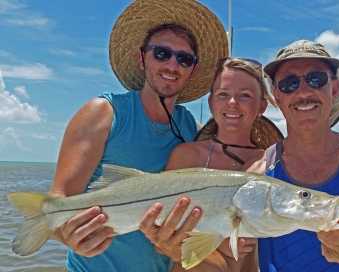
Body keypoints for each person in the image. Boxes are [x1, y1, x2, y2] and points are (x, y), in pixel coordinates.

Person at [47, 0, 228, 271]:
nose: (172, 64)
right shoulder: (103, 112)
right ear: (141, 58)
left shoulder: (190, 126)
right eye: (161, 53)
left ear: (193, 70)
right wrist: (68, 236)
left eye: (184, 59)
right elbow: (58, 201)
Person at [244, 39, 339, 271]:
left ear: (334, 89)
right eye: (289, 83)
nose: (303, 92)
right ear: (277, 96)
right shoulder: (255, 176)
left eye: (316, 79)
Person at [166, 57, 284, 271]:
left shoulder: (272, 164)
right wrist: (220, 240)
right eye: (223, 94)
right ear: (211, 103)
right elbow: (165, 225)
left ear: (261, 106)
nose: (232, 103)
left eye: (245, 95)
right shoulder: (185, 157)